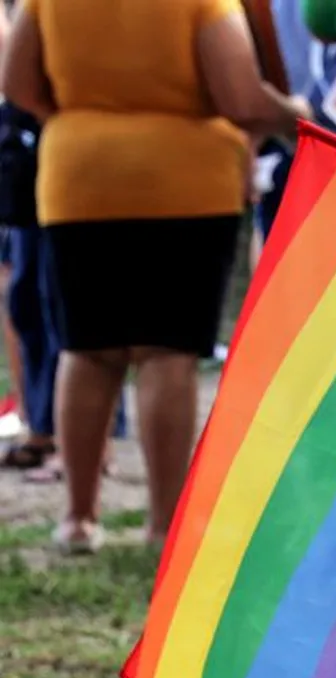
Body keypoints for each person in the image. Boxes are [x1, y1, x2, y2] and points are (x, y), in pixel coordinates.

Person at [0, 0, 309, 553]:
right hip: (186, 184)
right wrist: (295, 113)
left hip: (78, 180)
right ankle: (163, 526)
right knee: (167, 352)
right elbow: (240, 97)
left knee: (87, 349)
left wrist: (78, 118)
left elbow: (16, 81)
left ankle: (77, 517)